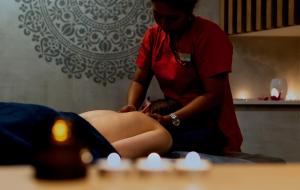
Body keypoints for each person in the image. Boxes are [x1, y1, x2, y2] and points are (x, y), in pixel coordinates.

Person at [118, 0, 243, 154]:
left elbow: (213, 95)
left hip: (210, 128)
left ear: (188, 13)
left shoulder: (209, 35)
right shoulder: (153, 36)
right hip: (173, 120)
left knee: (144, 141)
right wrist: (131, 107)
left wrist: (171, 119)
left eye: (172, 18)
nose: (163, 23)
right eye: (157, 15)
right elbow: (140, 80)